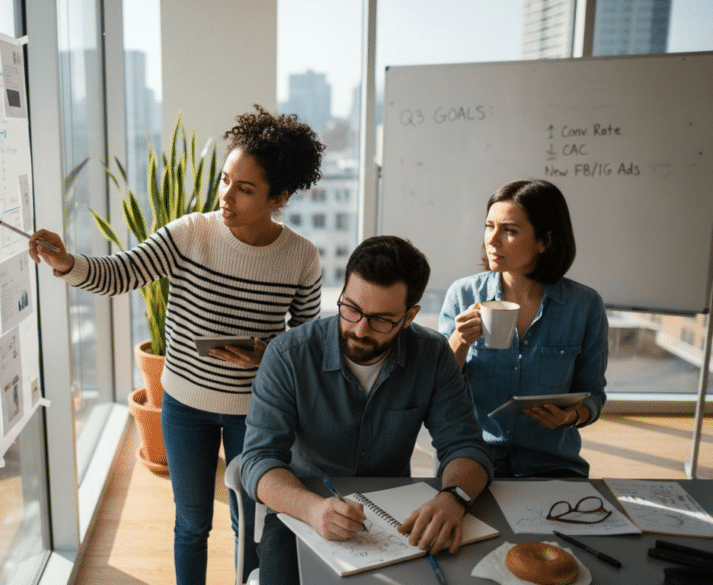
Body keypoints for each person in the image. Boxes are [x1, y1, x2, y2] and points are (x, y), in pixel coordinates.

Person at [27, 105, 325, 585]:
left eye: (245, 188)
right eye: (226, 179)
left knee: (248, 524)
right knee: (191, 523)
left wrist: (267, 352)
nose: (226, 195)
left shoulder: (301, 257)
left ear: (280, 197)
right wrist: (66, 263)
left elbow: (306, 341)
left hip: (258, 411)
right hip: (185, 404)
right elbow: (121, 272)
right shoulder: (190, 233)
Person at [241, 235, 491, 585]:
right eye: (351, 309)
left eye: (381, 320)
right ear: (342, 292)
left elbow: (465, 447)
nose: (359, 329)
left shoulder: (432, 355)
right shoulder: (289, 355)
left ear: (409, 317)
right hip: (301, 510)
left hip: (395, 516)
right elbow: (258, 461)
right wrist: (313, 510)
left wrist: (453, 498)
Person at [439, 179, 608, 478]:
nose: (492, 240)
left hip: (553, 462)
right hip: (475, 459)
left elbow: (593, 393)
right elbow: (437, 388)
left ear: (545, 241)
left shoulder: (585, 306)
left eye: (509, 230)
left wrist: (570, 415)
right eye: (489, 226)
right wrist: (459, 342)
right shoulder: (463, 295)